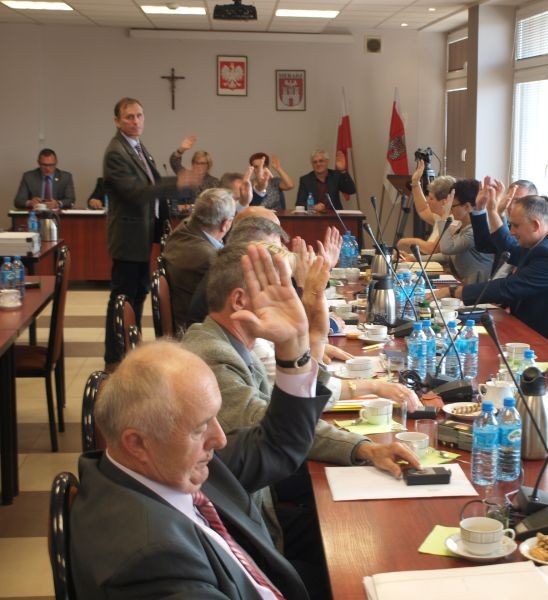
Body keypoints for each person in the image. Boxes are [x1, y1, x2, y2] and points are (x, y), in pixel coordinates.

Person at [71, 245, 331, 599]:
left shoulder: (169, 463)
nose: (220, 438)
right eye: (200, 427)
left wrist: (295, 346)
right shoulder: (148, 558)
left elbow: (277, 444)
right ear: (137, 443)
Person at [181, 241, 420, 591]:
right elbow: (276, 427)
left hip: (259, 506)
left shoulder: (233, 344)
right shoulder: (216, 356)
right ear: (240, 301)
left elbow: (293, 408)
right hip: (247, 535)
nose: (292, 298)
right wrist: (364, 448)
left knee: (364, 526)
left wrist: (313, 336)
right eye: (280, 290)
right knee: (358, 558)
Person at [435, 177, 548, 353]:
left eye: (515, 226)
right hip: (528, 326)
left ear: (535, 225)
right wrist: (482, 210)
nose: (511, 232)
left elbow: (508, 287)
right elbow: (506, 246)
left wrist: (454, 292)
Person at [101, 96, 199, 371]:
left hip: (142, 234)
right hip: (128, 236)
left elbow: (152, 182)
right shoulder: (116, 152)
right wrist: (177, 183)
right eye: (129, 117)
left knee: (139, 293)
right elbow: (136, 192)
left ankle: (130, 346)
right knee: (122, 298)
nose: (136, 121)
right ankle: (114, 357)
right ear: (117, 121)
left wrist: (177, 182)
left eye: (139, 115)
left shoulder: (136, 146)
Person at [163, 187, 237, 332]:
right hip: (196, 329)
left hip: (183, 312)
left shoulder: (185, 227)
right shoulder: (208, 258)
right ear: (225, 224)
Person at [437, 179, 492, 285]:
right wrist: (415, 258)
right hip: (463, 282)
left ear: (467, 206)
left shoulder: (474, 231)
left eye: (452, 206)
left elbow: (447, 248)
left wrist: (444, 215)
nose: (450, 210)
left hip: (475, 287)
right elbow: (449, 255)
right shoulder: (463, 225)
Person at [396, 160, 456, 257]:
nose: (427, 202)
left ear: (444, 202)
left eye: (431, 198)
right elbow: (423, 209)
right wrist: (415, 183)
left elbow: (433, 249)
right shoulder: (441, 216)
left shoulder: (453, 221)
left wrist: (410, 241)